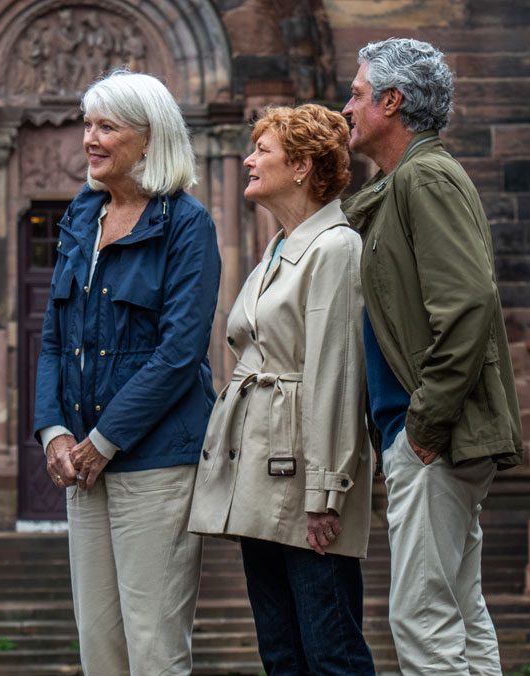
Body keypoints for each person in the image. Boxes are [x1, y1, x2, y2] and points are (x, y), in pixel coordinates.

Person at [340, 38, 525, 675]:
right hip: (425, 437)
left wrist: (424, 422)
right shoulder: (402, 182)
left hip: (431, 439)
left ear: (392, 102)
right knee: (459, 612)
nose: (347, 108)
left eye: (359, 95)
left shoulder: (427, 176)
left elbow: (470, 302)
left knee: (422, 618)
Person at [32, 70, 221, 675]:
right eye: (87, 124)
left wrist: (104, 440)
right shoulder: (81, 218)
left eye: (106, 127)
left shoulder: (187, 226)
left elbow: (179, 353)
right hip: (85, 463)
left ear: (149, 139)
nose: (89, 138)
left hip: (155, 462)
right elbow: (55, 339)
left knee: (154, 646)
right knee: (100, 646)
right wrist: (53, 430)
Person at [189, 104, 375, 676]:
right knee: (281, 653)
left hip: (305, 476)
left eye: (262, 151)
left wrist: (326, 492)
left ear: (300, 167)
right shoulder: (277, 248)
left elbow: (338, 374)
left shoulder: (336, 247)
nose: (248, 159)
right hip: (260, 470)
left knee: (331, 652)